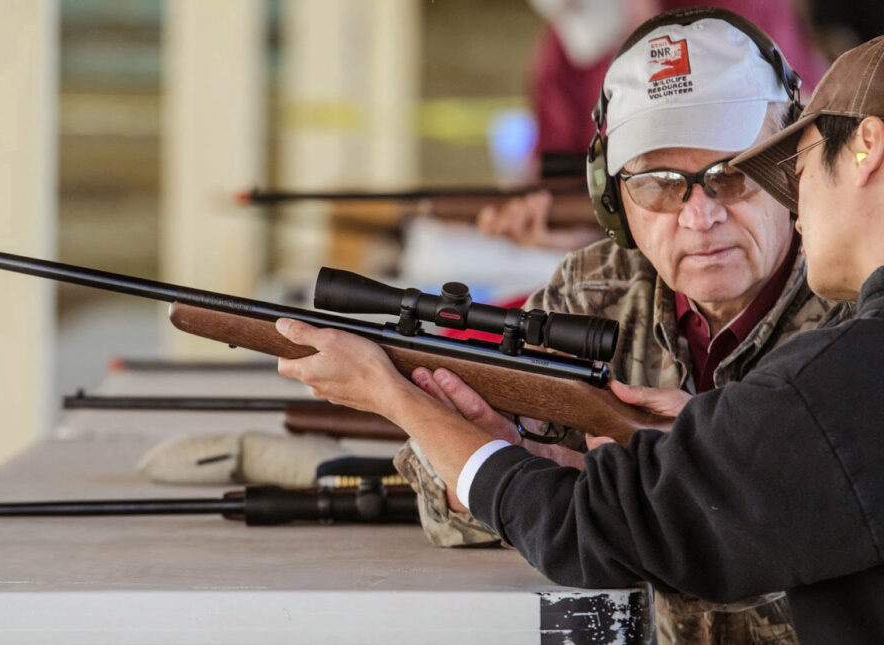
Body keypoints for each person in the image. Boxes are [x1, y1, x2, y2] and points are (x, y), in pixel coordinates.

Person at [273, 35, 884, 643]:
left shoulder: (852, 319)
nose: (700, 216)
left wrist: (401, 402)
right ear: (613, 199)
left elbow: (737, 538)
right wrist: (519, 455)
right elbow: (442, 512)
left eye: (732, 175)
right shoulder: (592, 291)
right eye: (659, 184)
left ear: (788, 172)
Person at [483, 0, 828, 250]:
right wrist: (562, 231)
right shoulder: (563, 49)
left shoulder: (740, 15)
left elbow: (810, 131)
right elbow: (565, 179)